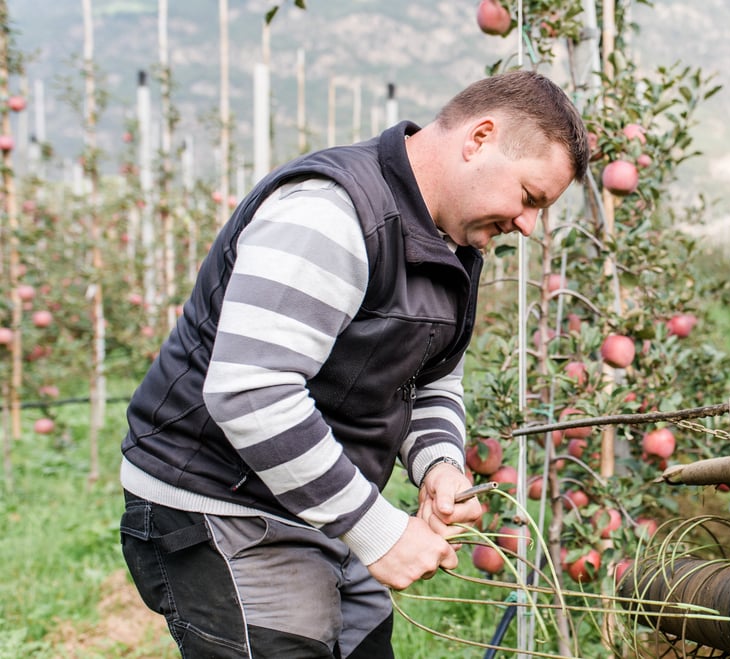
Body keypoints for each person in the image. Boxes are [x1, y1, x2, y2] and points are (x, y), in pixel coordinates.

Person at [118, 69, 591, 658]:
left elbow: (431, 376)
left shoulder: (453, 243)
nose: (528, 225)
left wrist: (439, 464)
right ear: (480, 138)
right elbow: (251, 392)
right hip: (223, 500)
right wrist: (378, 531)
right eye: (529, 197)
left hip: (317, 498)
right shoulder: (330, 214)